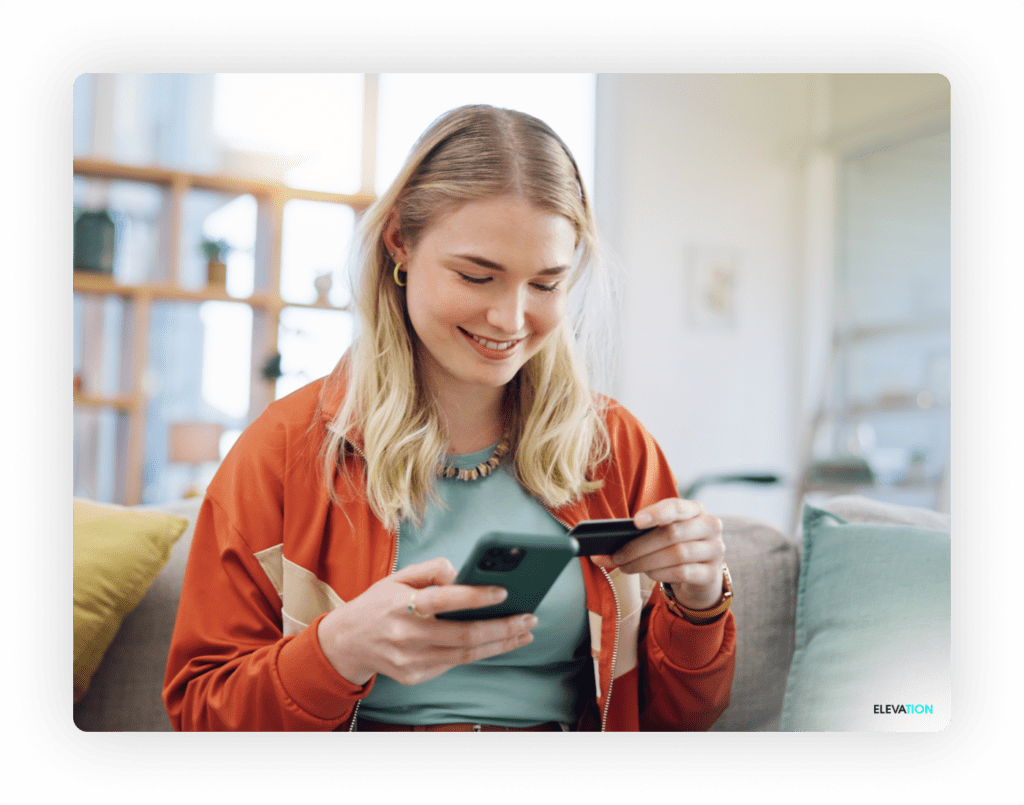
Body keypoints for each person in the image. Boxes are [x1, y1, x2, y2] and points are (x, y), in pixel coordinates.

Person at [163, 105, 736, 732]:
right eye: (476, 275)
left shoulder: (614, 446)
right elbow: (200, 715)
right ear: (399, 246)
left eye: (546, 285)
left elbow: (681, 721)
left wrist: (700, 602)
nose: (512, 319)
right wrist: (338, 652)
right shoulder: (285, 450)